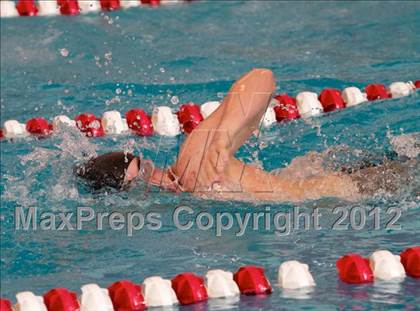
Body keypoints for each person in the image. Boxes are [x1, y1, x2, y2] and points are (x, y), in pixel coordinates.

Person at [75, 69, 417, 202]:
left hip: (367, 186)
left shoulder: (193, 163)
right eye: (141, 183)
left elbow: (262, 79)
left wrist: (223, 134)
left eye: (147, 170)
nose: (156, 181)